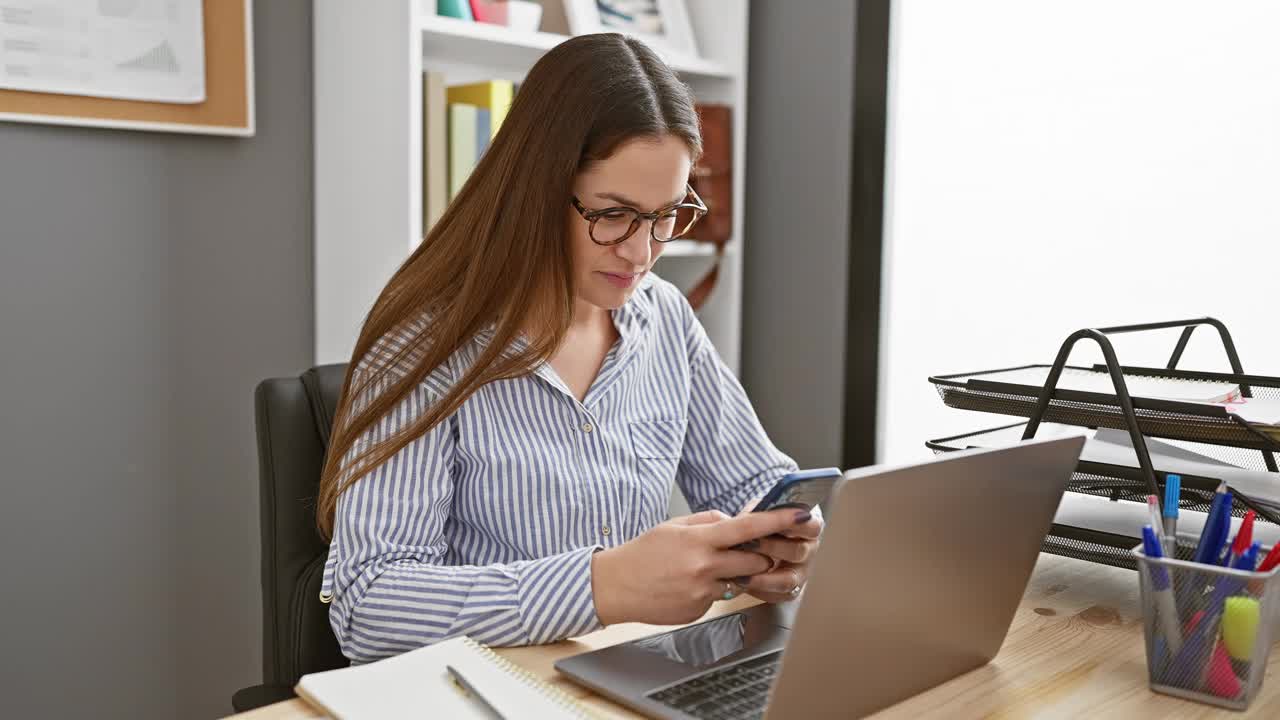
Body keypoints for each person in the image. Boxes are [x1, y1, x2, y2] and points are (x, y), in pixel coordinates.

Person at [317, 33, 823, 664]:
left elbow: (752, 482)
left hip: (629, 673)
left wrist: (783, 538)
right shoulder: (425, 346)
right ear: (536, 193)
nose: (642, 254)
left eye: (667, 214)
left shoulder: (663, 318)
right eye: (613, 215)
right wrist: (600, 586)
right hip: (486, 694)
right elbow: (369, 607)